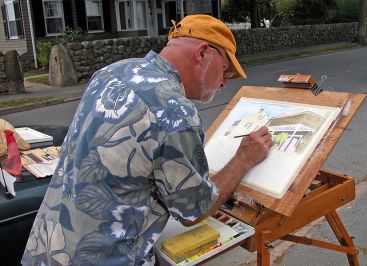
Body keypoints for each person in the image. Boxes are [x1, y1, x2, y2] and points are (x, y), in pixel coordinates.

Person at [22, 14, 272, 266]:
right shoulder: (174, 110)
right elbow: (194, 211)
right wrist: (243, 159)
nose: (224, 82)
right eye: (226, 70)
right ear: (203, 53)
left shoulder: (111, 72)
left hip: (47, 249)